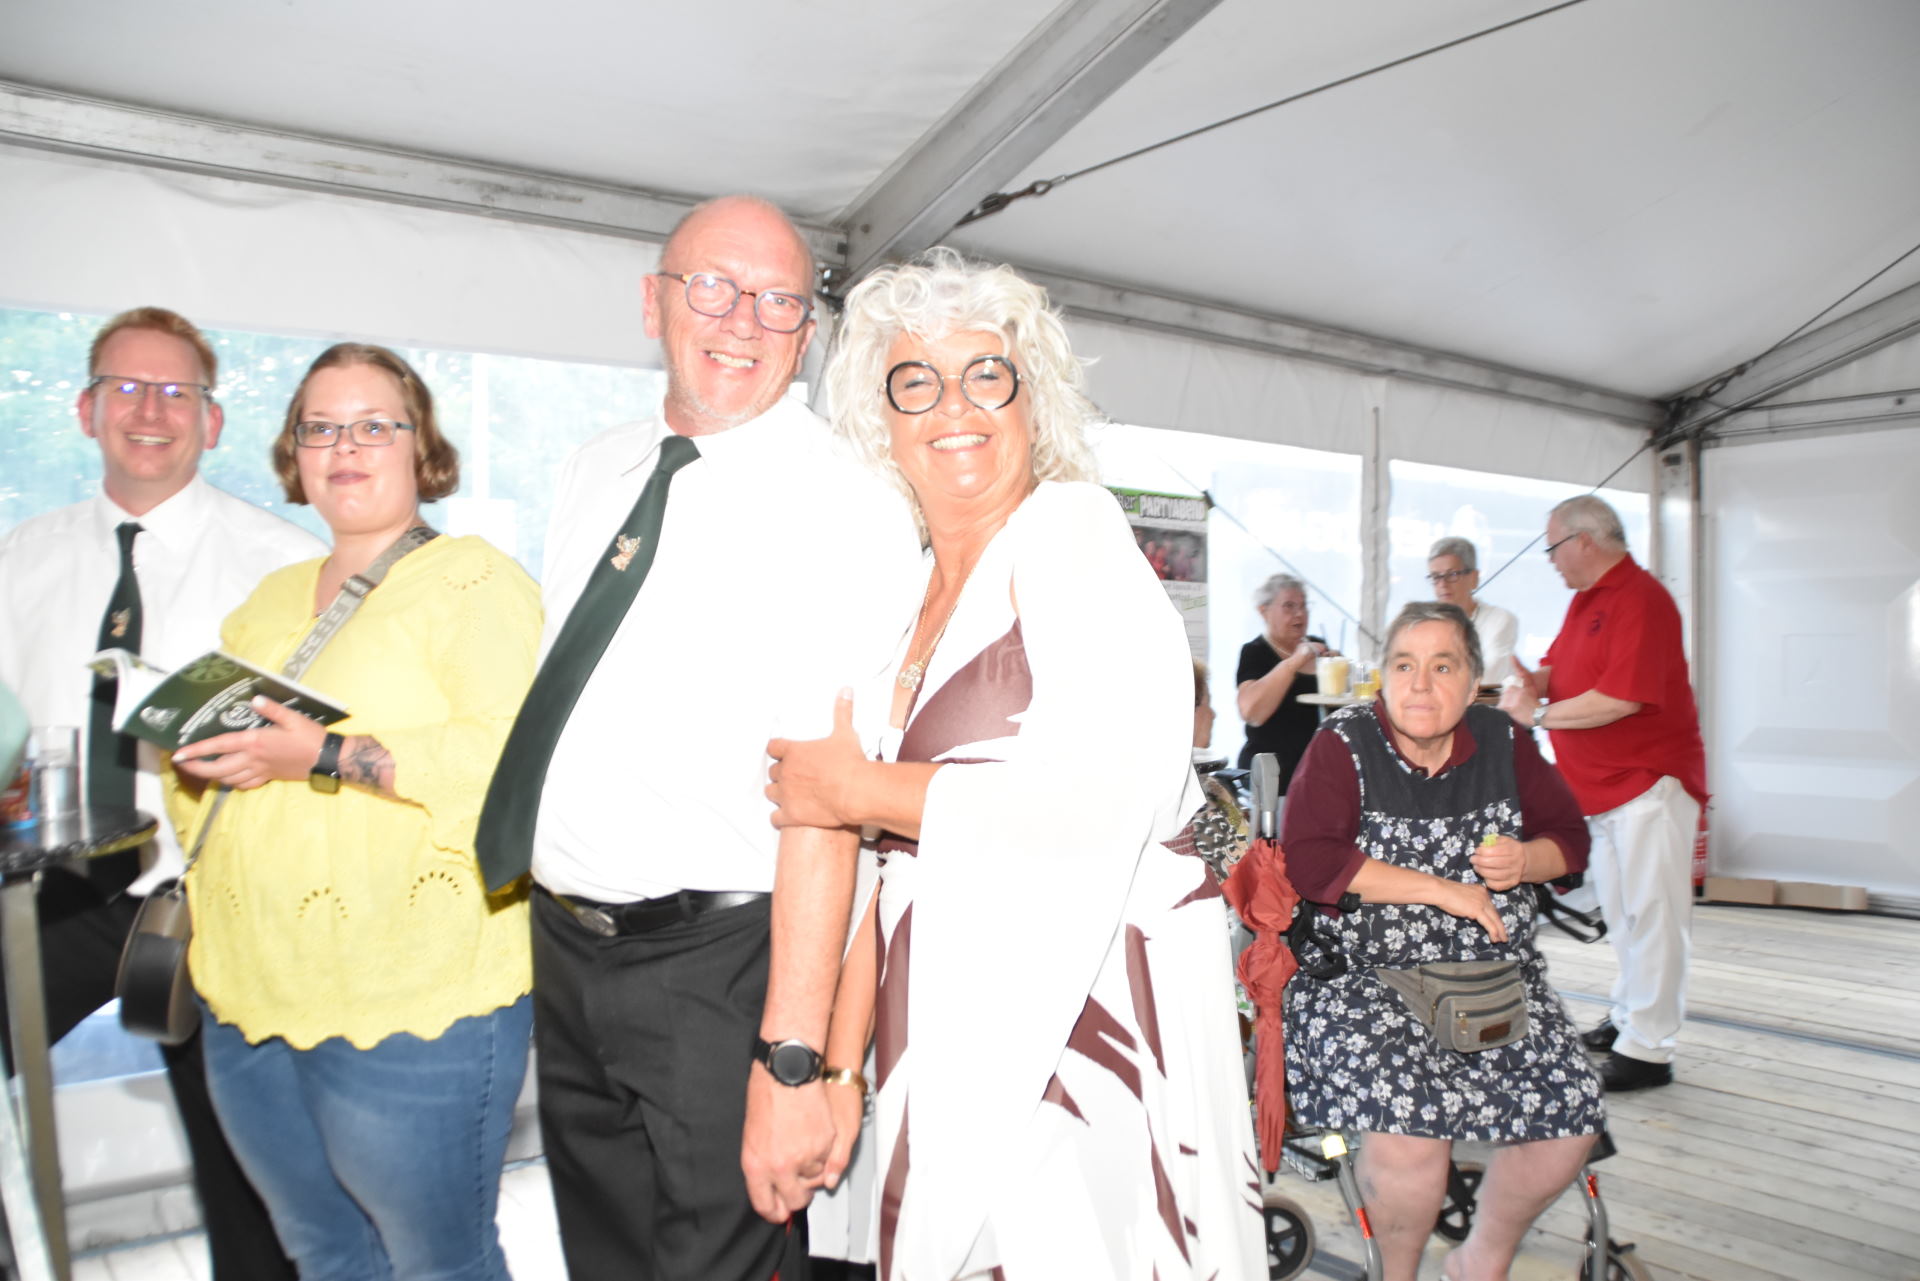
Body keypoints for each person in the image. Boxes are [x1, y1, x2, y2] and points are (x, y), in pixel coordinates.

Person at [766, 249, 1264, 1280]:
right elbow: (889, 871)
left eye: (986, 374)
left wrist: (854, 787)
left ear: (1033, 400)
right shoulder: (906, 594)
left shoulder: (1074, 533)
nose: (955, 405)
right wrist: (842, 1072)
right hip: (943, 1026)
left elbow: (1102, 799)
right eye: (916, 382)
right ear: (881, 421)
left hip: (1082, 1028)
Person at [472, 195, 922, 1281]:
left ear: (806, 336)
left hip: (721, 967)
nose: (744, 321)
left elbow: (826, 804)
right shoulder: (597, 466)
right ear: (654, 304)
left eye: (779, 301)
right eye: (714, 287)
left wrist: (792, 1059)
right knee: (604, 1259)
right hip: (565, 946)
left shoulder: (848, 504)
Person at [169, 343, 539, 1278]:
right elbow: (210, 789)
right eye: (320, 428)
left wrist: (324, 755)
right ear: (293, 453)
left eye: (374, 425)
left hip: (410, 994)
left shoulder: (472, 580)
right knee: (323, 1251)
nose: (345, 446)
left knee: (438, 1261)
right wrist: (198, 758)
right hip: (247, 991)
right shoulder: (267, 601)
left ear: (423, 448)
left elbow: (512, 761)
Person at [0, 306, 316, 1281]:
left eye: (177, 391)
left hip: (210, 898)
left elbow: (310, 749)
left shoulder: (281, 564)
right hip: (49, 893)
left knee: (248, 1177)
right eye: (127, 388)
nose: (151, 410)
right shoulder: (18, 558)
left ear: (211, 421)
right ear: (86, 409)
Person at [1281, 601, 1602, 1281]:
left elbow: (1570, 840)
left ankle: (1480, 1260)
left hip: (1492, 979)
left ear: (1474, 682)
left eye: (1442, 666)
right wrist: (1443, 889)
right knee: (1412, 1133)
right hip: (1362, 979)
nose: (1420, 685)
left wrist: (1526, 860)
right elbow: (1310, 861)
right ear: (1382, 677)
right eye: (1404, 665)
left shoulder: (1504, 741)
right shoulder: (1342, 745)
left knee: (1571, 1117)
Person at [1499, 496, 1707, 1092]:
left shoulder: (1641, 599)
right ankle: (1630, 1018)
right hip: (1604, 789)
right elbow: (1562, 676)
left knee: (1653, 916)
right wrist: (1525, 683)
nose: (1551, 561)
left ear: (1584, 541)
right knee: (1623, 913)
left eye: (1552, 548)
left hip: (1646, 781)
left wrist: (1537, 714)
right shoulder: (1587, 600)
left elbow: (1622, 698)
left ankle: (1649, 1049)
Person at [1235, 572, 1335, 783]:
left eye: (1304, 606)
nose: (1300, 614)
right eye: (1289, 606)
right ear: (1264, 611)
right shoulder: (1255, 651)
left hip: (1319, 773)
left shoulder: (1320, 648)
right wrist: (1295, 661)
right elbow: (1252, 712)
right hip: (1271, 776)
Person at [1426, 535, 1519, 683]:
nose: (1443, 584)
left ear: (1474, 578)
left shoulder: (1500, 620)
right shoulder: (1423, 625)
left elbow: (1488, 677)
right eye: (1436, 577)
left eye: (1452, 575)